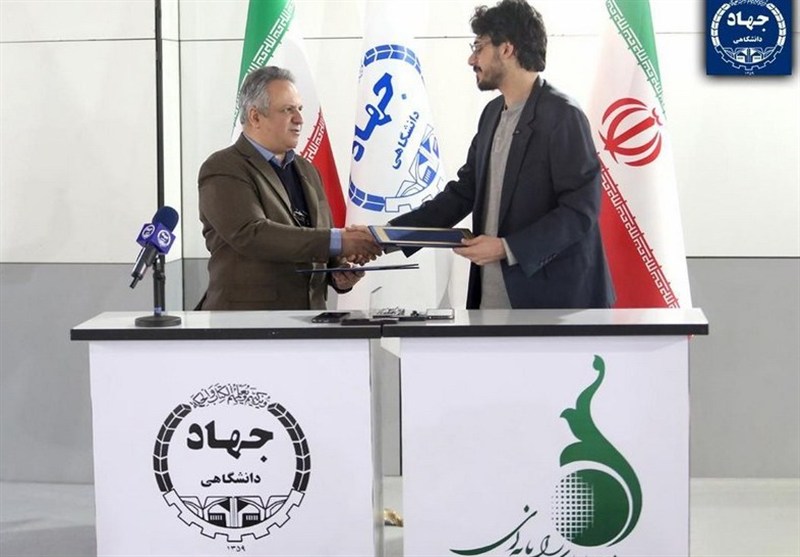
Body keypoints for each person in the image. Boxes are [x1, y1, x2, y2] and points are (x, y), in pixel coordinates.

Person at [390, 0, 614, 309]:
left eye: (478, 47)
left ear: (507, 49)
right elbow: (463, 193)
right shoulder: (492, 114)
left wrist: (507, 248)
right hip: (492, 299)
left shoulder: (563, 116)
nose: (472, 59)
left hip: (554, 305)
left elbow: (580, 210)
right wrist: (387, 237)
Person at [197, 66, 380, 310]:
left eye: (299, 109)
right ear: (255, 116)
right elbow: (253, 235)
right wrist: (339, 240)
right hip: (248, 322)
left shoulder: (307, 169)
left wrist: (337, 273)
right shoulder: (223, 167)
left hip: (310, 320)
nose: (299, 119)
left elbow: (317, 238)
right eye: (287, 110)